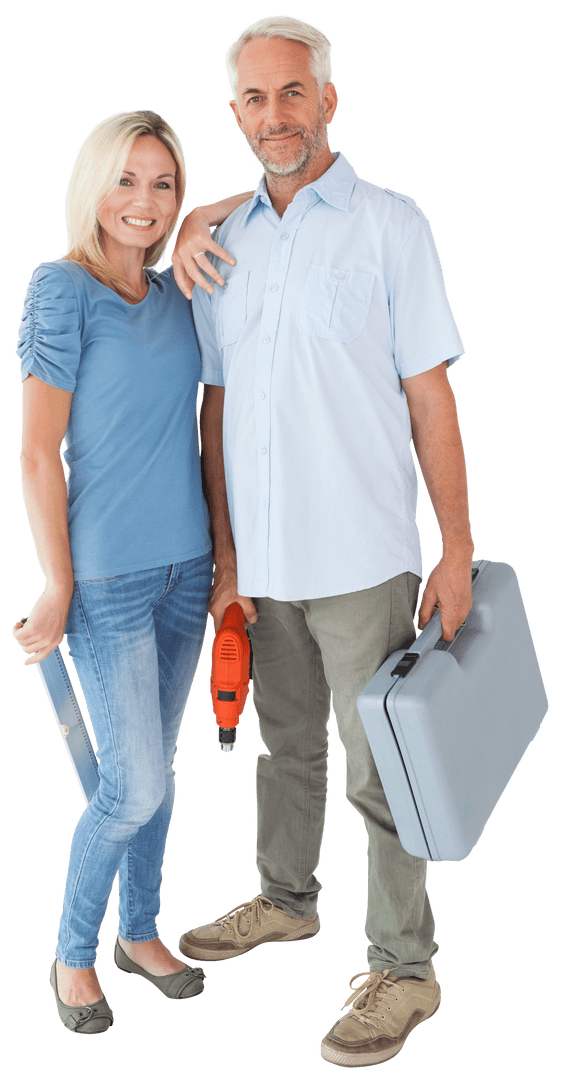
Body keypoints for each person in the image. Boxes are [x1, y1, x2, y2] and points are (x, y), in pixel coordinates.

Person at [171, 15, 474, 1069]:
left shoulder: (393, 224)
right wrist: (223, 557)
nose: (274, 116)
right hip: (261, 563)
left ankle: (406, 966)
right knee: (284, 751)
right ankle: (286, 901)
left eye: (292, 92)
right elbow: (214, 406)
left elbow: (430, 397)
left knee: (380, 767)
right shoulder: (219, 244)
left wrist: (454, 550)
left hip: (362, 557)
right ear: (234, 113)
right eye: (253, 99)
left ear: (329, 99)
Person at [12, 109, 249, 1035]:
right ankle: (73, 954)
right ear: (91, 187)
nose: (143, 202)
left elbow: (269, 204)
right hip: (105, 580)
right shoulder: (60, 290)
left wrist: (197, 224)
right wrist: (57, 581)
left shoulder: (179, 288)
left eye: (163, 185)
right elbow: (36, 456)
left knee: (161, 772)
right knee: (131, 786)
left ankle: (141, 932)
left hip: (189, 573)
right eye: (126, 180)